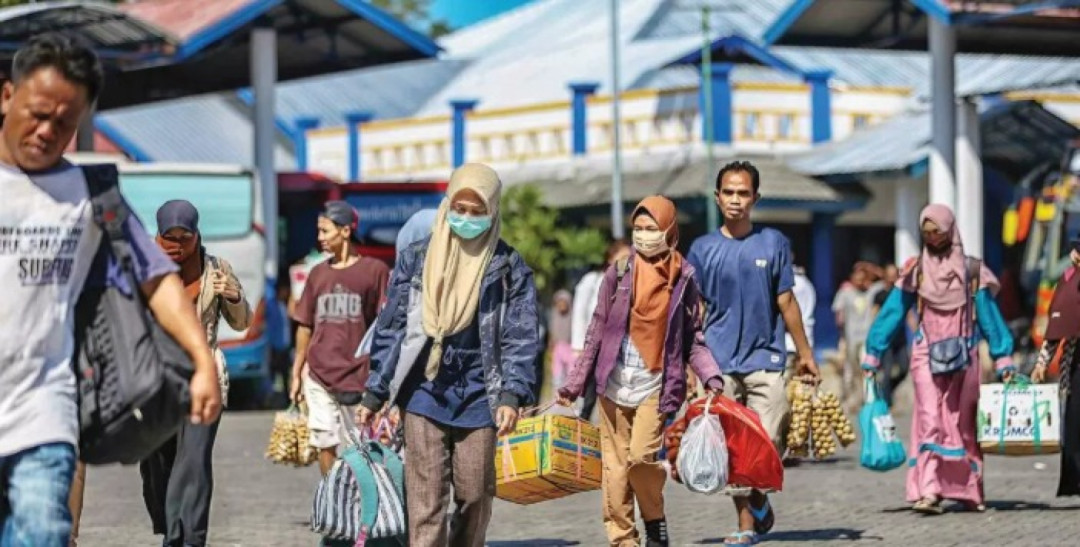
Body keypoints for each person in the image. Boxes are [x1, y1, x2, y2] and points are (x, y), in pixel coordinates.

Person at [0, 35, 221, 546]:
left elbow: (156, 279)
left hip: (43, 417)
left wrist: (201, 360)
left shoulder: (92, 197)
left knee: (40, 533)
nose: (47, 130)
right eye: (37, 113)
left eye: (65, 120)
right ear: (7, 96)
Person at [357, 163, 540, 547]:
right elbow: (393, 326)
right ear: (446, 206)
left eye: (477, 212)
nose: (466, 219)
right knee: (426, 501)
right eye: (460, 209)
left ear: (492, 212)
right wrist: (376, 391)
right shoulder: (417, 258)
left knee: (475, 495)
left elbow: (520, 334)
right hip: (423, 390)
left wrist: (513, 394)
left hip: (480, 392)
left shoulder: (507, 265)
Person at [557, 196, 723, 547]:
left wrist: (710, 375)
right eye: (639, 229)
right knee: (615, 471)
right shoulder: (617, 274)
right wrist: (573, 384)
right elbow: (596, 331)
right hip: (612, 387)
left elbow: (693, 335)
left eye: (652, 229)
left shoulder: (684, 277)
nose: (644, 236)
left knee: (641, 462)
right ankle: (623, 539)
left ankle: (654, 518)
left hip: (656, 385)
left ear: (669, 231)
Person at [687, 160, 819, 545]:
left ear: (755, 198)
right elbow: (695, 311)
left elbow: (787, 300)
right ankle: (746, 524)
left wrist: (806, 354)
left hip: (767, 359)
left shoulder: (773, 243)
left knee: (767, 439)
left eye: (743, 193)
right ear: (717, 197)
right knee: (731, 447)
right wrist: (691, 363)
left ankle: (759, 497)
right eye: (728, 192)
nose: (735, 200)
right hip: (718, 363)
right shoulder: (703, 249)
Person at [863, 204, 1014, 514]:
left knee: (963, 425)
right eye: (926, 233)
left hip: (965, 357)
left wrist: (1003, 359)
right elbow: (893, 312)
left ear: (950, 230)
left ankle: (968, 491)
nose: (932, 238)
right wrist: (873, 353)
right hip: (925, 354)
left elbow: (988, 316)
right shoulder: (916, 270)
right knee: (930, 418)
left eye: (938, 232)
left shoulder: (972, 271)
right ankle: (929, 489)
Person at [141, 200, 253, 547]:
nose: (177, 246)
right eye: (169, 237)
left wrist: (233, 297)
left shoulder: (216, 268)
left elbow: (242, 322)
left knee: (195, 461)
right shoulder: (142, 267)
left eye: (184, 237)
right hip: (156, 379)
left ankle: (188, 539)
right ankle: (170, 525)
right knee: (158, 465)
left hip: (205, 376)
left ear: (196, 234)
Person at [290, 201, 390, 476]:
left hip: (357, 374)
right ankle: (332, 498)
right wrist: (297, 371)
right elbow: (305, 325)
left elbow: (384, 326)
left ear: (345, 231)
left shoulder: (375, 271)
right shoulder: (318, 274)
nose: (320, 238)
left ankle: (357, 500)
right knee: (325, 441)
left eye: (325, 231)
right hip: (319, 372)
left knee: (355, 446)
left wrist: (383, 376)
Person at [1031, 242, 1080, 496]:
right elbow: (1057, 327)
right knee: (1075, 423)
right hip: (1076, 363)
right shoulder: (1069, 280)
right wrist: (1042, 363)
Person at [572, 239, 632, 420]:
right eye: (621, 257)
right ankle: (581, 432)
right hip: (594, 345)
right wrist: (578, 346)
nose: (626, 261)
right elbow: (580, 312)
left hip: (618, 347)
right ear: (610, 257)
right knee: (588, 394)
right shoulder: (592, 280)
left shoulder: (631, 282)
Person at [832, 265, 881, 411]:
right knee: (851, 371)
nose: (860, 282)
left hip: (866, 338)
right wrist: (841, 335)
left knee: (866, 367)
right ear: (852, 279)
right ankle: (853, 399)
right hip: (850, 338)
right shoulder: (845, 293)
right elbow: (838, 314)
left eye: (863, 279)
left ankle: (868, 399)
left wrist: (867, 266)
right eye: (857, 279)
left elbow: (884, 278)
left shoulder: (870, 292)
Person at [872, 264, 913, 409]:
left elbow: (908, 314)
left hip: (900, 339)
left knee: (904, 368)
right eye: (889, 275)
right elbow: (875, 315)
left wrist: (916, 330)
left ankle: (885, 391)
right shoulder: (879, 295)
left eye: (894, 275)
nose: (891, 278)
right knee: (887, 371)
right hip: (886, 340)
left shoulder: (901, 294)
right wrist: (875, 335)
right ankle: (887, 404)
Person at [548, 290, 575, 389]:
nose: (561, 305)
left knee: (571, 376)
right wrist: (551, 345)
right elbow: (552, 332)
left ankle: (569, 400)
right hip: (557, 348)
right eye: (559, 302)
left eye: (564, 302)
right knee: (557, 377)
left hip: (571, 348)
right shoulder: (554, 315)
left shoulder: (573, 316)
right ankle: (556, 401)